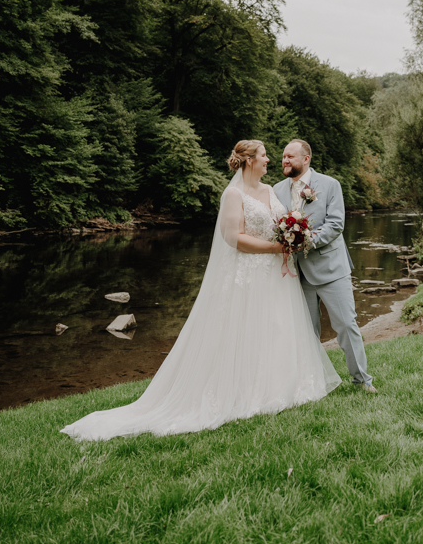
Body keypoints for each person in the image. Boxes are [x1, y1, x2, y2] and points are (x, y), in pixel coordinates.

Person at [60, 139, 340, 441]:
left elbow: (279, 223)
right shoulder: (233, 195)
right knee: (244, 331)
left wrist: (291, 234)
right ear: (248, 161)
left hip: (275, 275)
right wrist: (275, 247)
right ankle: (240, 391)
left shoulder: (271, 191)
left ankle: (279, 386)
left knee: (275, 328)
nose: (269, 160)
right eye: (263, 156)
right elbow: (235, 239)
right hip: (250, 273)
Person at [273, 139, 377, 394]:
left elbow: (335, 224)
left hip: (331, 268)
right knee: (307, 331)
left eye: (290, 157)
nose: (285, 161)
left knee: (345, 325)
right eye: (283, 156)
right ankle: (313, 382)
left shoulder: (330, 185)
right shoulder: (276, 190)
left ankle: (362, 380)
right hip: (297, 273)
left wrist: (304, 241)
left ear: (306, 159)